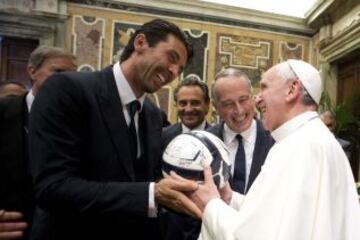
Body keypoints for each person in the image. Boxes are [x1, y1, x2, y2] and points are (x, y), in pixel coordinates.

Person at [29, 18, 198, 240]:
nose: (174, 71)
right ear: (140, 43)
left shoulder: (153, 115)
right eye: (171, 57)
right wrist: (151, 193)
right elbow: (53, 188)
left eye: (180, 68)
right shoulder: (68, 90)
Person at [175, 59, 360, 240]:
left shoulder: (300, 146)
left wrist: (210, 204)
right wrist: (232, 198)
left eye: (264, 87)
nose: (258, 99)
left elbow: (255, 235)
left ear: (292, 89)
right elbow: (275, 213)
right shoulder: (309, 138)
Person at [0, 46, 77, 240]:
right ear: (32, 71)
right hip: (10, 225)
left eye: (71, 75)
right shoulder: (3, 112)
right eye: (57, 72)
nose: (66, 80)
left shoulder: (80, 121)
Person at [161, 75, 211, 240]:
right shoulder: (161, 137)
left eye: (195, 103)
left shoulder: (218, 140)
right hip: (168, 228)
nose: (188, 108)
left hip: (206, 227)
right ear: (176, 105)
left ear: (207, 106)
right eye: (183, 103)